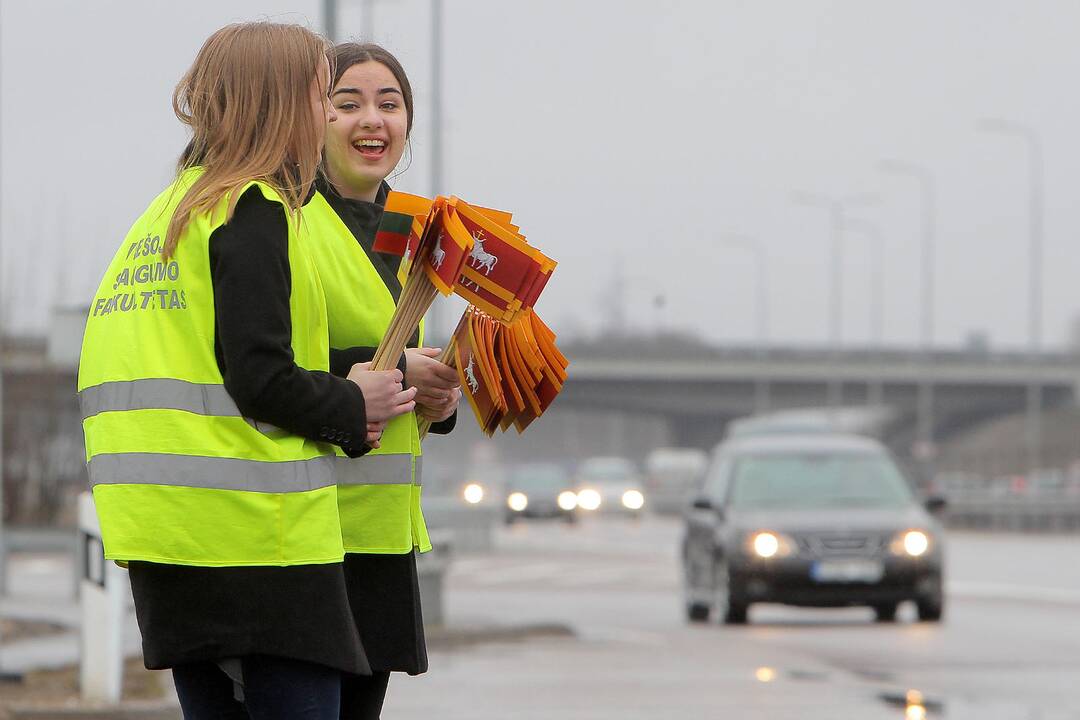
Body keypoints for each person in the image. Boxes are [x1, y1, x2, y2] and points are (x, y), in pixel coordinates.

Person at [77, 23, 416, 719]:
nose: (326, 116)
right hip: (259, 543)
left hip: (172, 541)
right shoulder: (253, 206)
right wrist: (355, 401)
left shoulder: (174, 210)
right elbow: (260, 374)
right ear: (281, 102)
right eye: (324, 96)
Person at [303, 42, 461, 718]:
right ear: (311, 118)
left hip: (378, 536)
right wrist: (397, 367)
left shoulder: (414, 229)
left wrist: (437, 395)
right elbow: (266, 362)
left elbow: (403, 371)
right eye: (349, 104)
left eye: (389, 105)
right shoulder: (285, 217)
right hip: (305, 534)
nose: (373, 120)